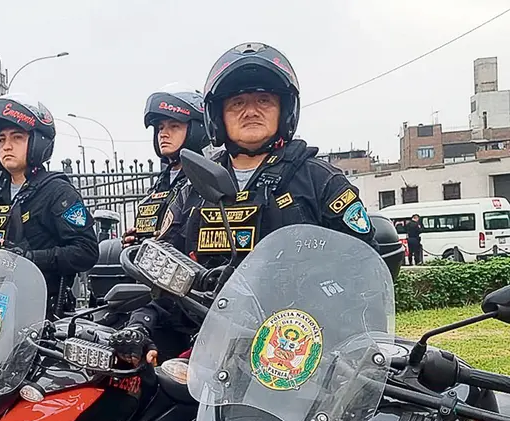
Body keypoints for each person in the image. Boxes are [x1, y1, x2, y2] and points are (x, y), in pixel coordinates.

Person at [114, 42, 379, 366]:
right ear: (217, 115)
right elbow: (166, 274)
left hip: (299, 354)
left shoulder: (320, 181)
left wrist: (314, 305)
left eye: (263, 100)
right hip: (210, 355)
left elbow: (363, 269)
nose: (250, 110)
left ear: (285, 109)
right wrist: (142, 324)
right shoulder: (192, 188)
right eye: (237, 102)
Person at [0, 94, 99, 314]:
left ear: (38, 142)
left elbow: (86, 251)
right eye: (1, 139)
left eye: (17, 137)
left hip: (44, 311)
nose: (7, 146)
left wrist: (30, 259)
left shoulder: (56, 191)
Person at [126, 87, 210, 242]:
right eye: (160, 128)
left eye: (174, 126)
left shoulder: (205, 180)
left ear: (196, 130)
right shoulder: (161, 183)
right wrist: (134, 240)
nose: (163, 134)